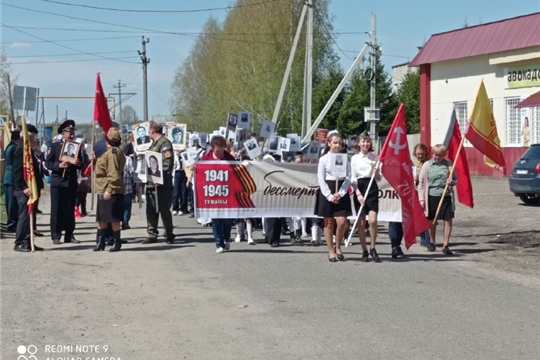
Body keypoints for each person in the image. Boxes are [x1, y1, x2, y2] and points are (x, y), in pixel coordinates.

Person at [315, 132, 351, 262]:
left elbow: (348, 177)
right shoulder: (323, 159)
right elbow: (321, 178)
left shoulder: (345, 159)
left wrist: (340, 193)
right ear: (329, 143)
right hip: (327, 190)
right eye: (335, 143)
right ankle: (330, 250)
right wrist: (329, 196)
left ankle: (338, 246)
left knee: (342, 222)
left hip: (341, 189)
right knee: (329, 223)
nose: (337, 145)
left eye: (339, 143)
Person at [45, 119, 82, 245]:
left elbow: (81, 165)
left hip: (70, 183)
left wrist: (78, 163)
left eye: (72, 132)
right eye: (69, 132)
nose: (71, 135)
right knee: (57, 209)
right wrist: (59, 165)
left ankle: (69, 234)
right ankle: (56, 235)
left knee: (69, 209)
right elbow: (48, 163)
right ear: (63, 133)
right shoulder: (55, 146)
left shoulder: (76, 147)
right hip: (58, 182)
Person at [417, 144, 458, 256]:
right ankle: (432, 242)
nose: (437, 157)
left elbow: (455, 179)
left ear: (443, 155)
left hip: (446, 195)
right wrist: (421, 200)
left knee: (448, 219)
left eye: (439, 155)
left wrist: (452, 182)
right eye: (435, 154)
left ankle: (445, 245)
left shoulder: (448, 165)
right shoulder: (427, 165)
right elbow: (420, 183)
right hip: (431, 196)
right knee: (431, 220)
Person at [92, 127, 126, 252]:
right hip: (103, 187)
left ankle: (116, 242)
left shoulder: (113, 153)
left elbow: (113, 174)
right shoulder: (113, 151)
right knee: (102, 217)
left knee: (113, 217)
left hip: (110, 189)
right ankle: (100, 242)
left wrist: (109, 190)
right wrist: (95, 160)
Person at [201, 135, 236, 253]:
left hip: (227, 193)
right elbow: (200, 174)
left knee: (227, 219)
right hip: (212, 193)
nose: (220, 153)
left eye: (222, 150)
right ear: (212, 148)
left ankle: (226, 237)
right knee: (216, 220)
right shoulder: (206, 158)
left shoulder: (230, 158)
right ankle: (219, 244)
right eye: (218, 150)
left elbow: (237, 173)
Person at [351, 131, 382, 262]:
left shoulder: (375, 158)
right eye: (363, 141)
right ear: (359, 143)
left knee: (373, 220)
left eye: (368, 141)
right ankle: (364, 250)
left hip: (372, 187)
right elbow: (353, 178)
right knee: (361, 223)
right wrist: (358, 194)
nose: (365, 143)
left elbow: (379, 178)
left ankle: (373, 247)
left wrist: (376, 172)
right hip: (360, 187)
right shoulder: (354, 158)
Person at [12, 124, 44, 252]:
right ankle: (19, 242)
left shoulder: (27, 149)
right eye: (34, 136)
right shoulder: (21, 149)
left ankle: (28, 241)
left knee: (30, 215)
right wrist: (24, 187)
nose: (35, 138)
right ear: (28, 136)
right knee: (24, 216)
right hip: (24, 189)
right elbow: (18, 171)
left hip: (32, 188)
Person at [143, 122, 176, 244]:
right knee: (151, 209)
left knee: (164, 209)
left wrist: (159, 179)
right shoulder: (153, 145)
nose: (148, 133)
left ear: (152, 131)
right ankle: (152, 234)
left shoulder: (164, 143)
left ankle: (169, 234)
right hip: (151, 183)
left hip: (162, 184)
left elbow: (167, 163)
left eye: (149, 130)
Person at [3, 129, 21, 232]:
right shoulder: (14, 148)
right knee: (12, 203)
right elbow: (15, 164)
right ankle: (12, 224)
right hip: (12, 177)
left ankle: (12, 223)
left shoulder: (9, 146)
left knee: (10, 202)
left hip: (9, 176)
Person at [413, 143, 430, 247]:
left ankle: (426, 239)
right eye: (418, 154)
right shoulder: (413, 163)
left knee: (426, 216)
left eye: (422, 154)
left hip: (426, 191)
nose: (420, 156)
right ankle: (423, 237)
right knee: (418, 216)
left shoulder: (429, 163)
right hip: (415, 191)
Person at [172, 149, 188, 216]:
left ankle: (182, 208)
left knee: (183, 192)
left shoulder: (185, 154)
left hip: (184, 172)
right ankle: (175, 208)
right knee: (176, 193)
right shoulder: (173, 155)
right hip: (177, 172)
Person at [122, 151, 135, 230]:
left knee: (119, 206)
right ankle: (125, 222)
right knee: (127, 206)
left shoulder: (114, 157)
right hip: (127, 186)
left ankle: (118, 222)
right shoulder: (128, 159)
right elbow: (131, 171)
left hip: (117, 187)